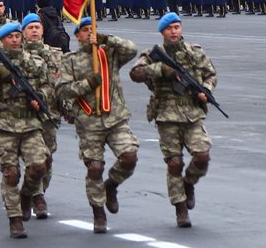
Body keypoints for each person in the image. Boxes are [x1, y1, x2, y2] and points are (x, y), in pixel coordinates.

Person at [129, 12, 217, 228]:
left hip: (192, 114)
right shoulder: (152, 55)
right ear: (162, 32)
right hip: (166, 115)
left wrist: (206, 90)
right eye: (170, 28)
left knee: (202, 156)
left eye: (177, 27)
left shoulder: (194, 52)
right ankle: (180, 208)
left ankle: (189, 184)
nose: (174, 31)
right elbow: (136, 73)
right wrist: (162, 70)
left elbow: (210, 74)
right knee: (174, 163)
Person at [0, 22, 53, 239]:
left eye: (17, 36)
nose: (15, 39)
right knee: (11, 174)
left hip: (31, 124)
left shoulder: (33, 61)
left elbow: (47, 84)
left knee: (39, 166)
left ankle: (27, 195)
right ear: (2, 40)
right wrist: (1, 71)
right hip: (4, 126)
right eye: (10, 37)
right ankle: (15, 219)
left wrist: (40, 97)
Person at [55, 17, 139, 233]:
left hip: (115, 118)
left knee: (129, 157)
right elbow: (62, 90)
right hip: (88, 121)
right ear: (77, 35)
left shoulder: (107, 54)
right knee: (94, 168)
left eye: (93, 29)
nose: (90, 33)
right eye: (85, 30)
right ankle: (98, 212)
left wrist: (105, 39)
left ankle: (111, 185)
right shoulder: (70, 61)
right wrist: (87, 84)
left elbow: (132, 49)